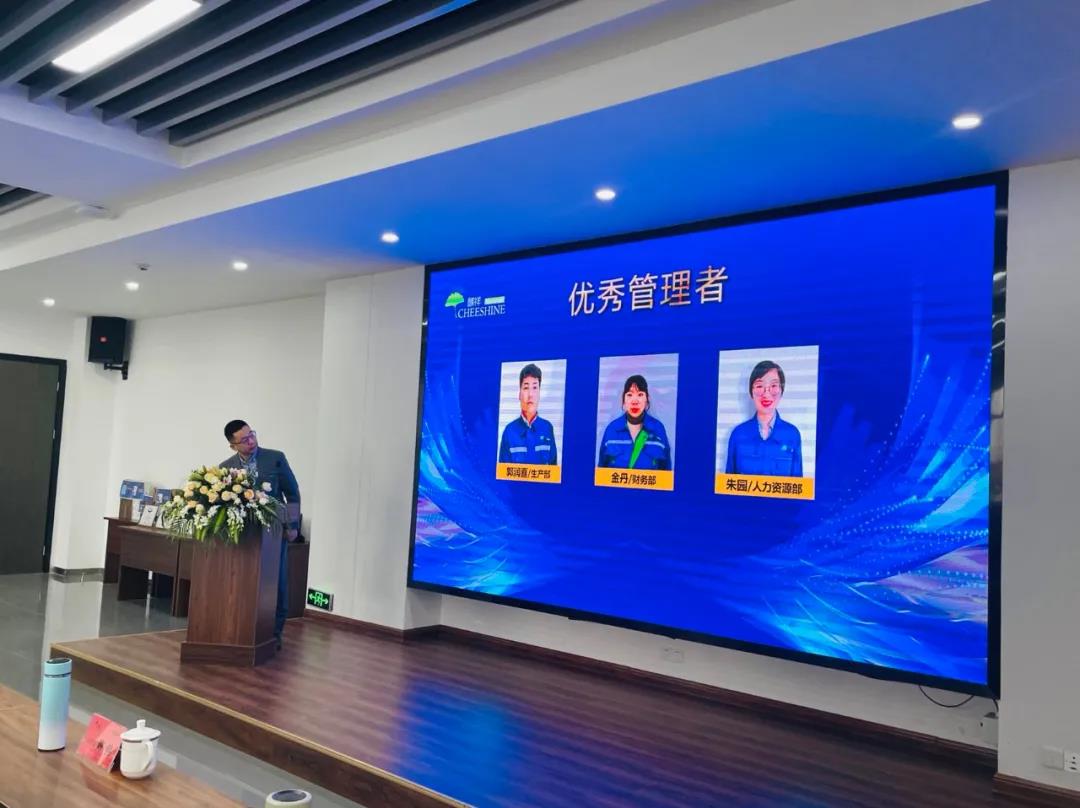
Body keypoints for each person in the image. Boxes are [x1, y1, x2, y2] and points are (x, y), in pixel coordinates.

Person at [221, 420, 300, 650]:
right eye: (244, 440)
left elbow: (292, 494)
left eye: (252, 435)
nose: (251, 441)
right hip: (244, 538)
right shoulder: (226, 468)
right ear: (233, 446)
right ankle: (240, 630)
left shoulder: (275, 458)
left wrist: (292, 525)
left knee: (276, 584)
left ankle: (274, 634)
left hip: (273, 534)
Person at [725, 361, 803, 476]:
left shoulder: (792, 434)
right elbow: (728, 483)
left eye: (773, 386)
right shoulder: (738, 434)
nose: (766, 394)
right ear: (751, 392)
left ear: (781, 390)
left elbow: (798, 483)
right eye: (760, 386)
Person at [597, 374, 672, 470]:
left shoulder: (658, 429)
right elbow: (601, 471)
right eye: (629, 395)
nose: (634, 401)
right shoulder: (612, 429)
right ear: (623, 400)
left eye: (640, 394)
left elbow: (666, 472)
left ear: (647, 399)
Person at [498, 363, 559, 465]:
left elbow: (554, 469)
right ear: (519, 394)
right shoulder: (509, 431)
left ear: (539, 393)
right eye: (526, 388)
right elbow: (502, 472)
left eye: (535, 388)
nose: (530, 394)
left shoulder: (547, 428)